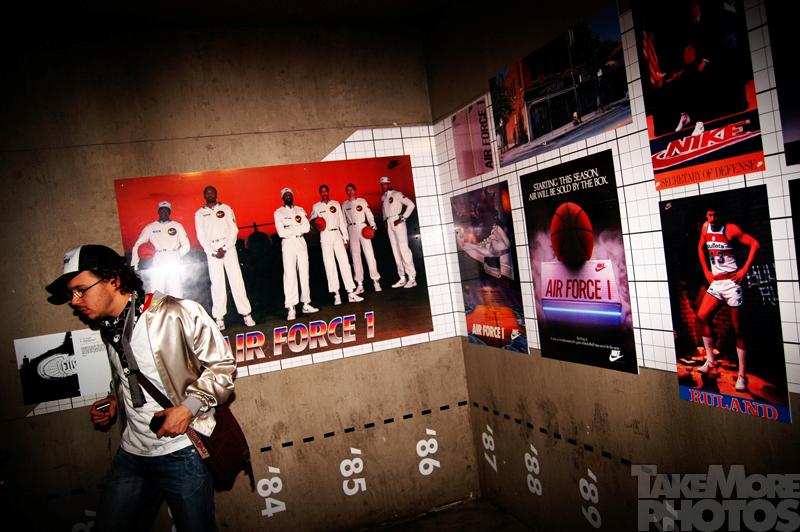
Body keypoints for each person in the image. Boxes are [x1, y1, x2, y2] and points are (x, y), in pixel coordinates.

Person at [45, 244, 236, 531]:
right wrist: (115, 399)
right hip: (132, 453)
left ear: (113, 280)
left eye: (81, 290)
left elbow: (223, 366)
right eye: (71, 293)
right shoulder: (110, 326)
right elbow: (129, 372)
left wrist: (188, 408)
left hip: (181, 452)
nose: (74, 300)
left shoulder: (173, 313)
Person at [696, 208, 759, 392]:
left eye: (715, 215)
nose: (712, 218)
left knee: (739, 330)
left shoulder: (730, 229)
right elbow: (700, 248)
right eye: (709, 215)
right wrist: (706, 271)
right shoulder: (705, 227)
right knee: (702, 316)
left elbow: (755, 244)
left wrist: (744, 270)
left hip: (732, 283)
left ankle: (742, 376)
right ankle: (711, 362)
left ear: (721, 214)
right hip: (717, 282)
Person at [194, 186, 255, 330]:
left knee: (237, 281)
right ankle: (219, 318)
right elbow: (200, 235)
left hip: (228, 248)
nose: (210, 194)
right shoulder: (199, 213)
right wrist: (212, 251)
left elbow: (234, 229)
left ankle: (246, 314)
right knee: (217, 284)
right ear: (204, 195)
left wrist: (225, 247)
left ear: (216, 194)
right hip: (213, 251)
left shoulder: (226, 208)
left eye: (212, 192)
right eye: (207, 193)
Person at [310, 184, 365, 305]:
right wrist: (315, 222)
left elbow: (342, 222)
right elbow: (311, 221)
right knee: (330, 265)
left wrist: (345, 239)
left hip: (337, 235)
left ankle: (350, 293)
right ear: (320, 193)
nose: (324, 193)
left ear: (328, 192)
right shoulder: (316, 206)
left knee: (345, 263)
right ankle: (337, 295)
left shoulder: (335, 204)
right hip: (325, 236)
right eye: (322, 192)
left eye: (326, 191)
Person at [273, 187, 319, 320]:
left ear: (292, 196)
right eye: (285, 195)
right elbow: (281, 232)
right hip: (288, 244)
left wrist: (291, 228)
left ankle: (306, 304)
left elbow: (306, 227)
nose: (288, 196)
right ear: (282, 198)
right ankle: (291, 308)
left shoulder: (300, 210)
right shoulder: (278, 212)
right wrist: (297, 229)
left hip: (301, 242)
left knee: (304, 273)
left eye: (290, 194)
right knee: (290, 274)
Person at [130, 201, 191, 298]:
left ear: (169, 212)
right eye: (161, 210)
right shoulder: (150, 227)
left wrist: (176, 255)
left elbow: (186, 246)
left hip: (173, 258)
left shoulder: (177, 226)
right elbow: (138, 244)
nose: (163, 212)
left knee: (175, 288)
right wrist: (134, 263)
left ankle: (176, 307)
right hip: (158, 258)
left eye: (166, 210)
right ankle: (156, 307)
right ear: (158, 212)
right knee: (156, 290)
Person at [342, 183, 382, 294]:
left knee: (370, 255)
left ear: (355, 191)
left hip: (363, 228)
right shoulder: (344, 205)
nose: (350, 192)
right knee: (355, 257)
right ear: (347, 192)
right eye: (348, 190)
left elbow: (369, 214)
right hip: (351, 229)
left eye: (352, 189)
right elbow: (344, 222)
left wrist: (373, 226)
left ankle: (376, 281)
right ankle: (360, 284)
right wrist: (345, 238)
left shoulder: (362, 201)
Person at [379, 176, 417, 288]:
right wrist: (385, 220)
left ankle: (412, 278)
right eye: (382, 184)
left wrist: (402, 218)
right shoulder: (383, 197)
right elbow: (384, 210)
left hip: (398, 221)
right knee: (395, 251)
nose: (383, 186)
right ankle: (402, 278)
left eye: (385, 183)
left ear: (389, 183)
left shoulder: (396, 194)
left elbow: (411, 204)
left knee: (403, 249)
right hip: (389, 223)